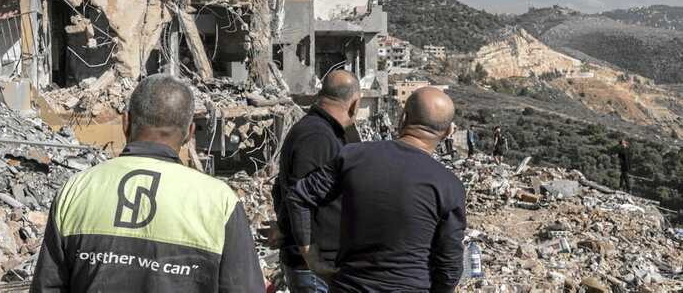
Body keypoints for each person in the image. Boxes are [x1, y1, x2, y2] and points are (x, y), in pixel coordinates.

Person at [31, 74, 264, 292]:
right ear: (189, 133)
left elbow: (47, 286)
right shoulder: (219, 201)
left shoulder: (77, 189)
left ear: (126, 122)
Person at [286, 87, 467, 292]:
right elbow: (450, 266)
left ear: (402, 118)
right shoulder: (449, 186)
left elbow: (300, 197)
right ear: (448, 131)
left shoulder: (353, 156)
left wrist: (313, 259)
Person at [262, 70, 360, 293]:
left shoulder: (315, 129)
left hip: (310, 263)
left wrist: (283, 229)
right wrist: (287, 232)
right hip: (314, 266)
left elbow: (281, 187)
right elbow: (299, 195)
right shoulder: (319, 136)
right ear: (354, 105)